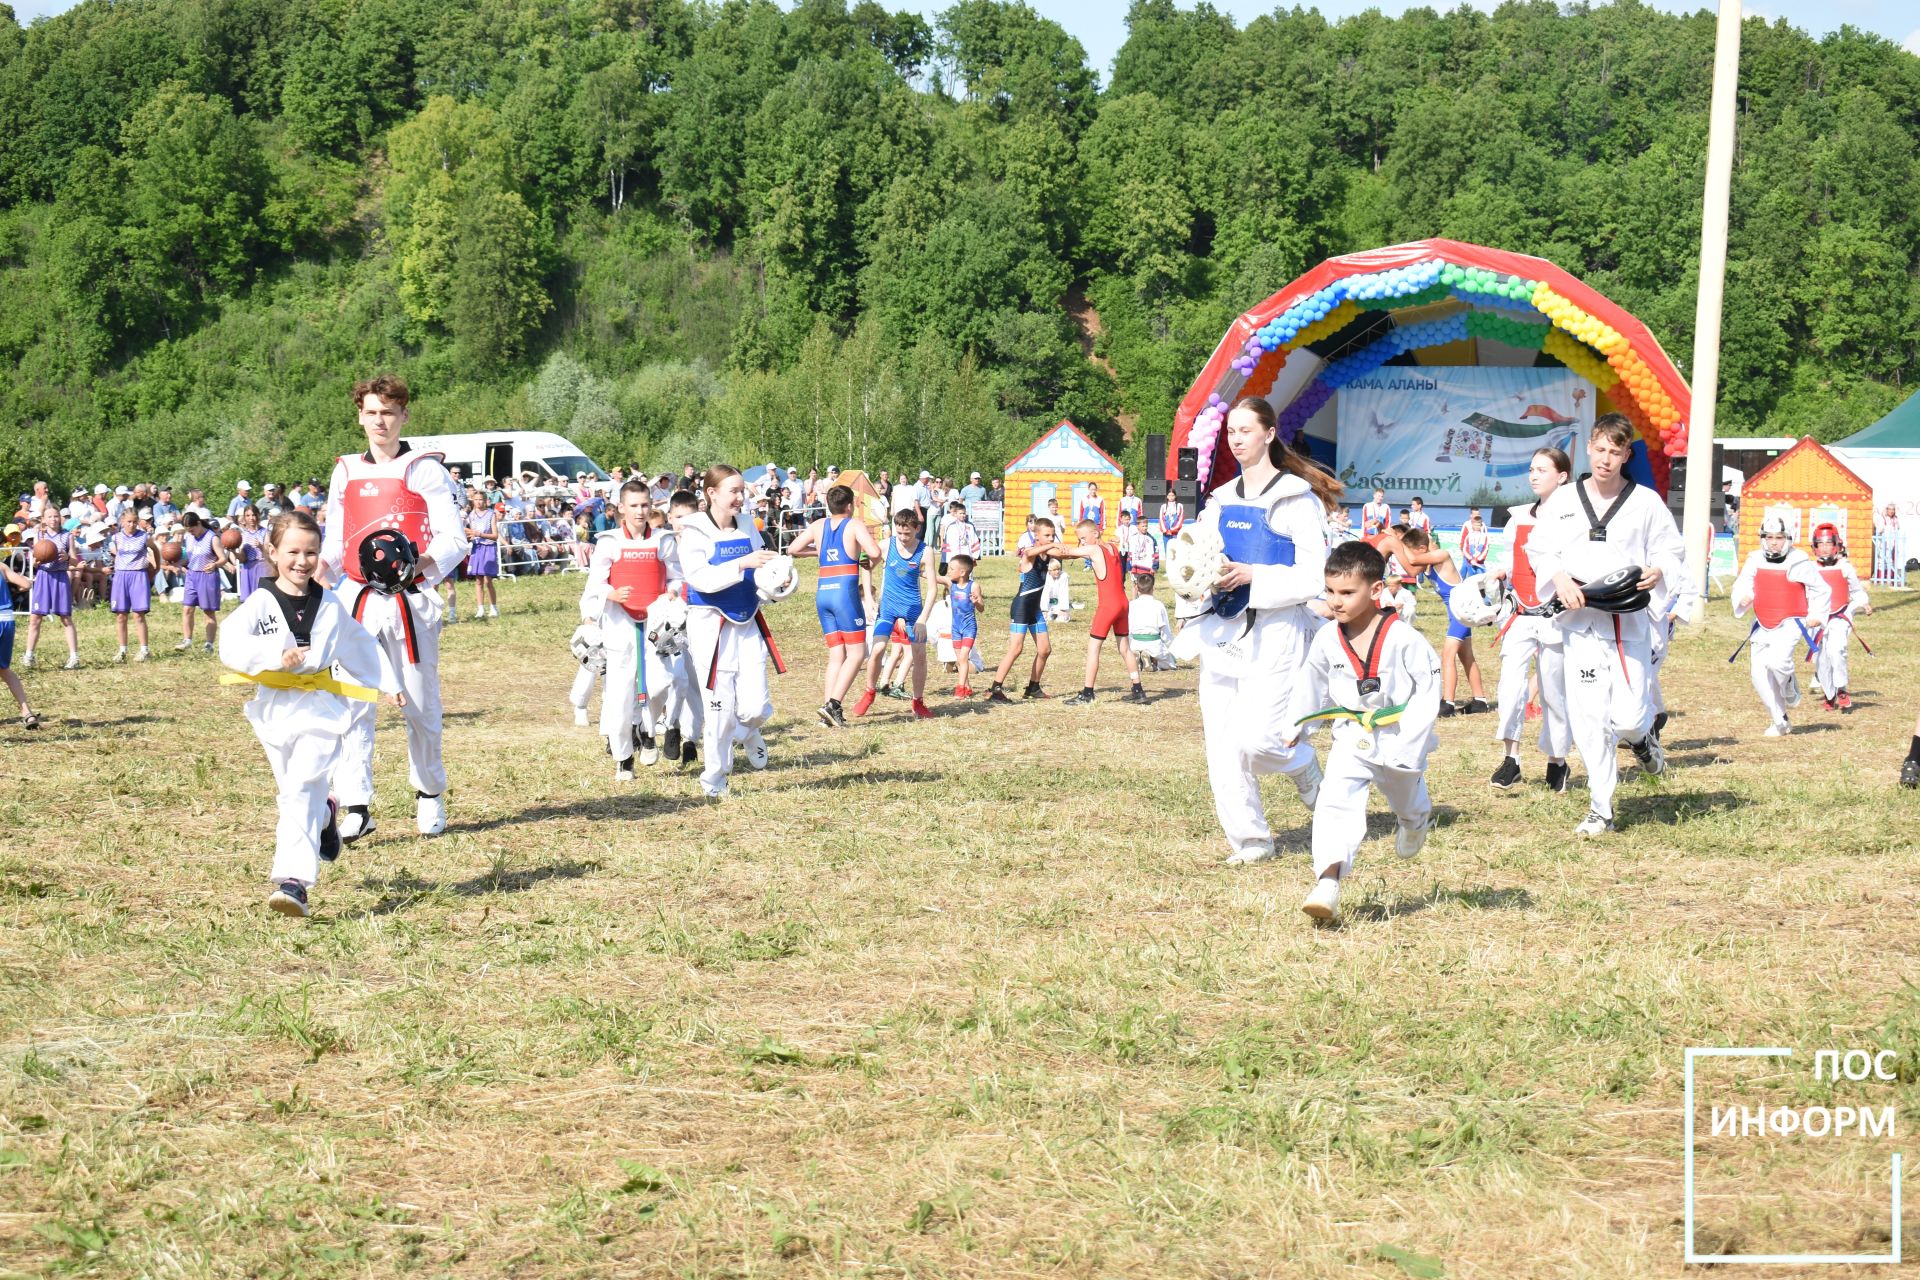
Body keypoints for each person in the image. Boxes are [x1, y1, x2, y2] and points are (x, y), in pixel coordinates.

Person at [219, 510, 403, 919]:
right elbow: (230, 644)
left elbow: (361, 644)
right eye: (293, 552)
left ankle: (294, 881)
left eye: (310, 552)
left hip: (320, 707)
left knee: (301, 787)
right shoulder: (260, 603)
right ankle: (325, 815)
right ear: (273, 552)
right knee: (295, 789)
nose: (302, 561)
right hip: (274, 707)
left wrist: (389, 684)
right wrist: (274, 654)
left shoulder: (330, 605)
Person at [1185, 395, 1339, 866]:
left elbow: (1313, 578)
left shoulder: (1296, 499)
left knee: (1258, 740)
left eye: (1245, 430)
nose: (1236, 439)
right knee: (1221, 743)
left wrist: (1255, 575)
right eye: (1231, 432)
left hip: (1277, 633)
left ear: (1269, 434)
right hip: (1221, 630)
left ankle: (1302, 764)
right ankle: (1251, 840)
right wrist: (1194, 579)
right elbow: (1196, 556)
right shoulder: (1220, 499)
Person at [318, 374, 469, 841]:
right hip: (357, 597)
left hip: (410, 598)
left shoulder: (423, 469)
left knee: (420, 703)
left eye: (388, 412)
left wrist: (414, 564)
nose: (379, 421)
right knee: (352, 701)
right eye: (371, 412)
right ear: (360, 417)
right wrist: (317, 569)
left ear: (404, 415)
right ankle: (357, 804)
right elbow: (336, 538)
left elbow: (453, 539)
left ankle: (429, 792)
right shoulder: (345, 470)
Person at [1528, 414, 1685, 835]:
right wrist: (1559, 579)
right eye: (1600, 449)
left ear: (1626, 455)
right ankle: (1602, 808)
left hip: (1627, 619)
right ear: (1589, 447)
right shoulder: (1562, 500)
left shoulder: (1645, 502)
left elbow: (1671, 550)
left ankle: (1642, 738)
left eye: (1615, 452)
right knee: (1589, 717)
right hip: (1579, 618)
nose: (1605, 459)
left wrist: (1657, 570)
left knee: (1630, 717)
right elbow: (1540, 548)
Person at [1281, 540, 1440, 920]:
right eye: (1330, 591)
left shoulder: (1404, 638)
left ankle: (1414, 820)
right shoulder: (1327, 638)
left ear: (1376, 589)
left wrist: (1413, 744)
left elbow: (1427, 691)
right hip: (1351, 733)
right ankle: (1328, 884)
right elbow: (1311, 683)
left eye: (1347, 593)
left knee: (1405, 798)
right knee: (1334, 804)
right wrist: (1298, 723)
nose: (1335, 602)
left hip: (1398, 734)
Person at [678, 465, 783, 798]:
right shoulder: (694, 530)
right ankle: (715, 779)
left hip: (747, 619)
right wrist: (741, 564)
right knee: (719, 710)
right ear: (712, 494)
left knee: (756, 708)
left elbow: (763, 568)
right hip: (710, 625)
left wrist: (778, 584)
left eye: (741, 491)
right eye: (733, 491)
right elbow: (699, 578)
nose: (740, 497)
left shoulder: (747, 525)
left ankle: (747, 731)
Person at [580, 482, 682, 778]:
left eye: (645, 505)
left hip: (655, 621)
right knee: (620, 692)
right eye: (634, 505)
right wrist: (610, 594)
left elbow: (677, 576)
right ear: (622, 508)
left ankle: (646, 727)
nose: (640, 511)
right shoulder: (609, 542)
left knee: (662, 682)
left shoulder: (663, 540)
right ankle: (623, 757)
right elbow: (595, 584)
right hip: (619, 622)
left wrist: (672, 592)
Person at [1489, 448, 1573, 792]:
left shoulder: (1574, 518)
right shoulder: (1519, 516)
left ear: (1562, 476)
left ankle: (1557, 760)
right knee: (1510, 685)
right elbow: (1511, 561)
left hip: (1557, 615)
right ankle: (1511, 759)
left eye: (1542, 470)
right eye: (1531, 469)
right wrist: (1499, 573)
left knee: (1554, 690)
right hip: (1520, 613)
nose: (1534, 475)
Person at [783, 484, 881, 727]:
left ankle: (827, 714)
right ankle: (833, 705)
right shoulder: (854, 525)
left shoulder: (819, 525)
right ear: (849, 505)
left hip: (823, 593)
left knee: (837, 654)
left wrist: (819, 552)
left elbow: (793, 548)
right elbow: (874, 551)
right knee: (857, 653)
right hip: (845, 595)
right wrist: (869, 562)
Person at [1731, 513, 1830, 737]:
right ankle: (1779, 720)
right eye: (1769, 537)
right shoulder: (1754, 559)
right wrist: (1744, 596)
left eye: (1779, 537)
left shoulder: (1799, 561)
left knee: (1777, 663)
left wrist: (1817, 614)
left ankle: (1789, 682)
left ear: (1788, 538)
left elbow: (1821, 589)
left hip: (1790, 621)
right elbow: (1743, 583)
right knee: (1758, 674)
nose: (1774, 542)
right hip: (1762, 623)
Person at [1374, 524, 1486, 715]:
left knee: (1447, 655)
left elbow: (1412, 558)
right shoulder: (1428, 559)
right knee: (1466, 656)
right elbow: (1416, 554)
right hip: (1456, 614)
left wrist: (1394, 540)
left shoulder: (1441, 555)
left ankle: (1448, 703)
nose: (1409, 556)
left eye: (1413, 550)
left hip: (1461, 613)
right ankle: (1480, 701)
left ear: (1422, 549)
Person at [1038, 518, 1143, 705]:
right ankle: (1138, 689)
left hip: (1108, 606)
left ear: (1095, 534)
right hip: (1123, 603)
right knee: (1125, 649)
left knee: (1093, 649)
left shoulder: (1094, 549)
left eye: (1083, 538)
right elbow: (1074, 554)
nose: (1082, 543)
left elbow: (1066, 553)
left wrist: (1043, 547)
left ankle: (1088, 693)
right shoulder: (1112, 547)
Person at [852, 510, 936, 720]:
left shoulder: (925, 551)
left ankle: (918, 702)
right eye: (899, 533)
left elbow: (933, 589)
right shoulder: (886, 546)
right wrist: (869, 599)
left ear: (917, 529)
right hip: (888, 609)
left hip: (913, 611)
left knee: (919, 654)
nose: (903, 538)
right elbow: (866, 565)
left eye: (907, 534)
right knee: (878, 649)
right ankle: (869, 692)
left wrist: (922, 619)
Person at [987, 517, 1057, 702]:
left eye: (1053, 535)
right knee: (1016, 649)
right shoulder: (1030, 554)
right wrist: (1052, 545)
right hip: (1021, 608)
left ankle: (1033, 688)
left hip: (1035, 610)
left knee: (1045, 650)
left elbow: (1066, 553)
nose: (1051, 538)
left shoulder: (1047, 554)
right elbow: (1028, 552)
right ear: (1036, 535)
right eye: (1047, 535)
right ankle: (995, 689)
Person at [1807, 523, 1869, 711]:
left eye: (1828, 543)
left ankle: (1841, 689)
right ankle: (1829, 694)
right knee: (1820, 659)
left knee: (1836, 650)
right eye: (1821, 544)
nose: (1825, 548)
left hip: (1839, 617)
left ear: (1836, 545)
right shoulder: (1809, 569)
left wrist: (1863, 603)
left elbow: (1857, 591)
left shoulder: (1844, 567)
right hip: (1817, 620)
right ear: (1815, 546)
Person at [23, 507, 81, 669]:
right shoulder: (39, 536)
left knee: (65, 617)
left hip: (60, 576)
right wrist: (36, 561)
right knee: (35, 618)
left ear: (60, 518)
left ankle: (74, 657)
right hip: (43, 576)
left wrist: (68, 557)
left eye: (56, 516)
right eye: (49, 516)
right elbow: (34, 563)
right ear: (43, 519)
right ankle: (29, 655)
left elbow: (75, 561)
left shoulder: (67, 536)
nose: (53, 519)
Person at [173, 513, 230, 655]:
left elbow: (223, 558)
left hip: (207, 576)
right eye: (188, 530)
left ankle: (209, 644)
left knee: (208, 611)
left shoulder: (212, 538)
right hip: (192, 575)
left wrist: (215, 565)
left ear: (198, 523)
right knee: (187, 608)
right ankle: (187, 640)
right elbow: (190, 557)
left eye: (192, 530)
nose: (190, 533)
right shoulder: (189, 538)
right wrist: (177, 563)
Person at [108, 505, 156, 662]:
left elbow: (155, 550)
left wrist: (155, 568)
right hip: (121, 576)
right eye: (129, 521)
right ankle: (122, 650)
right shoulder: (116, 537)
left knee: (138, 615)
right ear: (122, 521)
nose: (131, 525)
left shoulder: (144, 537)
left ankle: (144, 650)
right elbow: (115, 554)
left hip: (138, 575)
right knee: (121, 615)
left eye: (134, 522)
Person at [0, 548, 40, 728]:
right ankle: (27, 713)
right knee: (4, 670)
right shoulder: (1, 567)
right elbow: (26, 584)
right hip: (7, 620)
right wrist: (13, 589)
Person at [943, 554, 982, 696]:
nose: (948, 571)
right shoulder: (950, 584)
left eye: (951, 569)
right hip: (955, 628)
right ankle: (967, 687)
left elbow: (982, 608)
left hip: (969, 628)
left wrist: (976, 602)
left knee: (963, 657)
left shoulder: (973, 586)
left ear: (962, 572)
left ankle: (960, 689)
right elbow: (933, 576)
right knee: (960, 660)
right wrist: (916, 569)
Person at [463, 488, 501, 619]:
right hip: (477, 547)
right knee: (478, 580)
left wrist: (479, 534)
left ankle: (493, 607)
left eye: (481, 500)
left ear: (485, 501)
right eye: (476, 500)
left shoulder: (491, 514)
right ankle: (480, 609)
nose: (478, 502)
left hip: (488, 547)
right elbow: (469, 533)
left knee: (487, 579)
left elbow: (495, 535)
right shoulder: (471, 516)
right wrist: (469, 536)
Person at [1128, 572, 1175, 674]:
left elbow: (1128, 630)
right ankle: (1153, 663)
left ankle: (1139, 660)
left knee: (1134, 651)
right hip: (1154, 645)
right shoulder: (1159, 605)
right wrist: (1170, 646)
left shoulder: (1131, 605)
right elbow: (1165, 631)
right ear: (1153, 588)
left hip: (1135, 643)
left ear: (1136, 588)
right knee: (1171, 663)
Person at [939, 499, 981, 575]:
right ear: (956, 514)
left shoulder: (970, 526)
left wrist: (974, 555)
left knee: (967, 573)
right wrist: (946, 558)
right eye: (960, 513)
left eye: (964, 513)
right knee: (955, 574)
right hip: (954, 553)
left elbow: (974, 540)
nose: (962, 515)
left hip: (967, 552)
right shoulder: (951, 527)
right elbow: (947, 542)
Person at [235, 504, 268, 599]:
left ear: (258, 515)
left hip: (262, 566)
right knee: (248, 599)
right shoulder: (243, 535)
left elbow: (269, 554)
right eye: (248, 515)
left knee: (261, 597)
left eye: (253, 515)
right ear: (244, 518)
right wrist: (233, 551)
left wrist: (260, 546)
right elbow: (243, 559)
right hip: (248, 568)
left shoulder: (265, 532)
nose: (251, 518)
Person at [1459, 509, 1490, 574]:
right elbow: (1463, 537)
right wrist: (1463, 550)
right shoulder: (1467, 524)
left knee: (1479, 571)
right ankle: (1461, 579)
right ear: (1471, 515)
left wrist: (1480, 556)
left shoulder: (1483, 525)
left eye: (1478, 514)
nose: (1476, 515)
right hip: (1468, 552)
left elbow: (1486, 542)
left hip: (1479, 553)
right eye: (1474, 514)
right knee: (1464, 567)